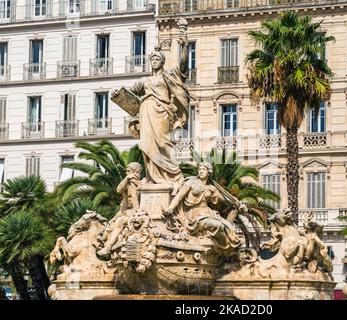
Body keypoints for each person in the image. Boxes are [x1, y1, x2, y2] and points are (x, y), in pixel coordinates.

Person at [111, 34, 190, 186]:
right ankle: (152, 177)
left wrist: (185, 47)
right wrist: (117, 94)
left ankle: (174, 175)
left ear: (162, 62)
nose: (154, 61)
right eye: (152, 59)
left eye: (157, 59)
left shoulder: (168, 76)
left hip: (162, 112)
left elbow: (183, 68)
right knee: (147, 145)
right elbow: (128, 93)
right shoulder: (144, 81)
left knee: (163, 143)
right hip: (146, 111)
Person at [163, 162, 246, 251]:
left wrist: (238, 205)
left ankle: (227, 250)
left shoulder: (212, 188)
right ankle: (224, 249)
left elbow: (225, 201)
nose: (200, 171)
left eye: (203, 169)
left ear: (208, 172)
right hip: (194, 214)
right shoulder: (191, 183)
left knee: (229, 227)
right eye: (199, 169)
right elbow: (179, 196)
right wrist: (170, 208)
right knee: (217, 225)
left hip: (208, 213)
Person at [97, 162, 142, 258]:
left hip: (133, 212)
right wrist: (127, 179)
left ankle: (108, 247)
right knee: (108, 228)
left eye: (128, 171)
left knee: (120, 222)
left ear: (136, 171)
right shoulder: (127, 183)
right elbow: (118, 190)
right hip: (123, 210)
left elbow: (136, 200)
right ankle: (103, 245)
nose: (126, 173)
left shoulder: (141, 184)